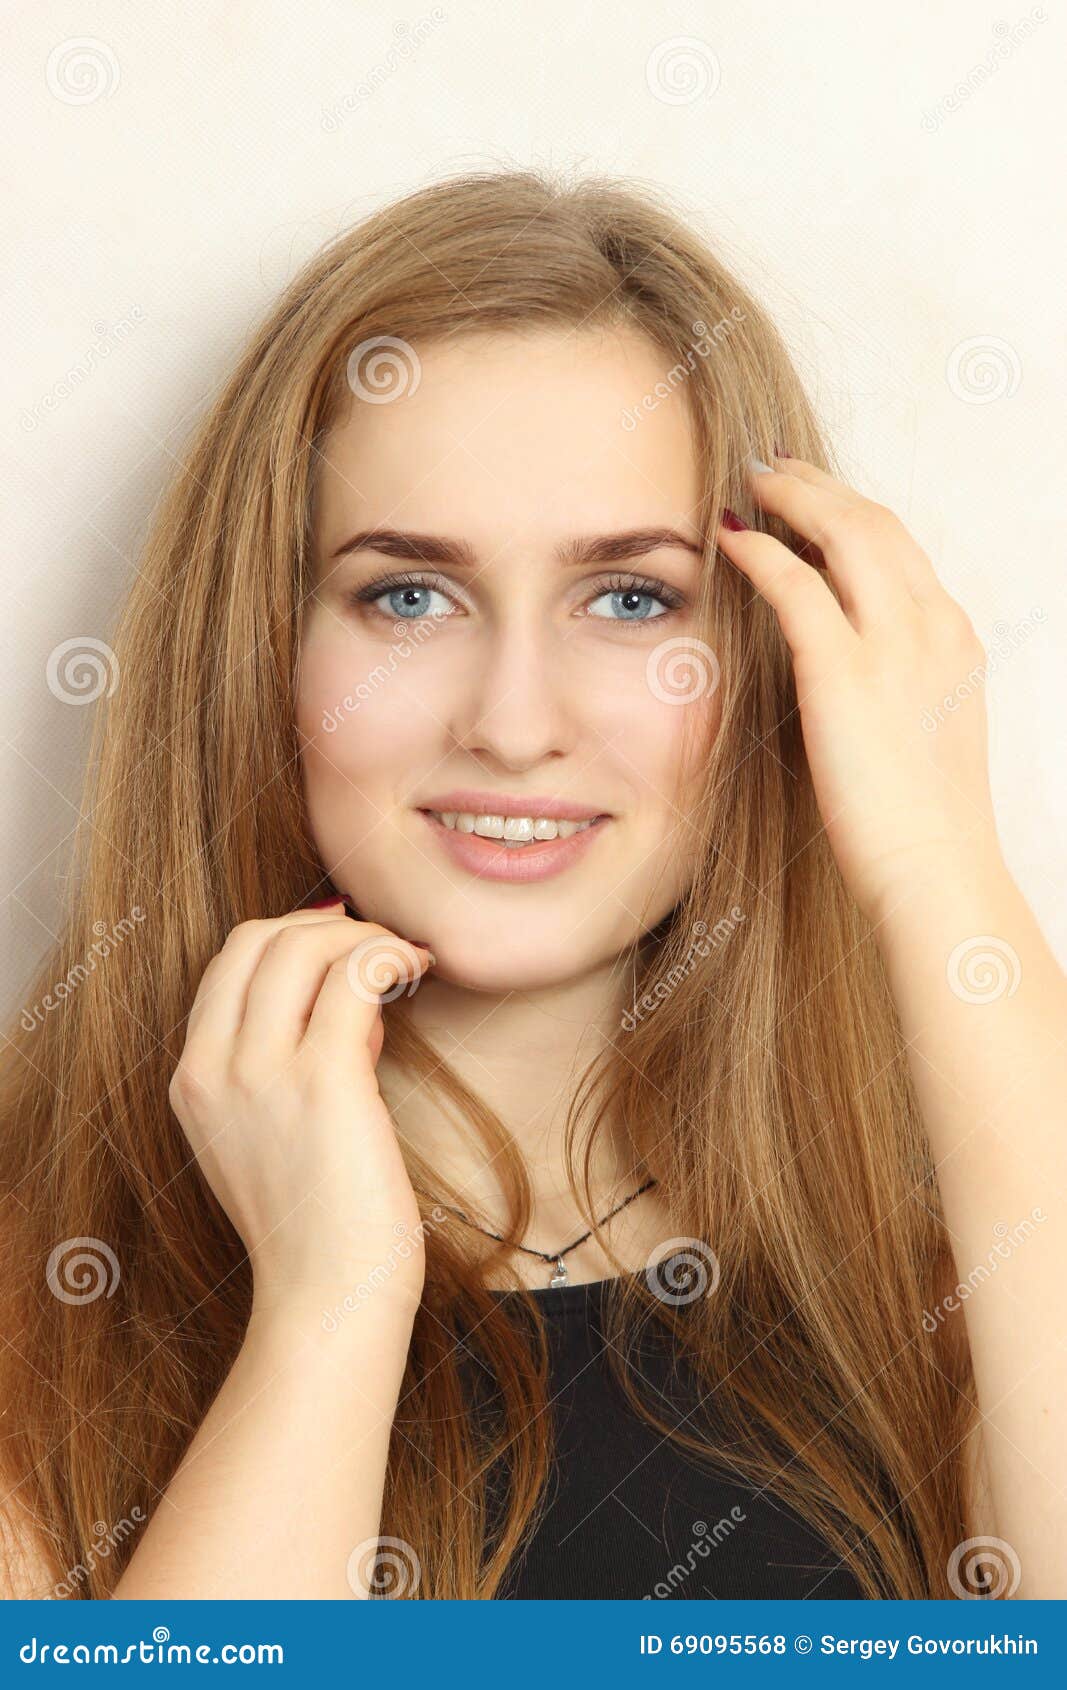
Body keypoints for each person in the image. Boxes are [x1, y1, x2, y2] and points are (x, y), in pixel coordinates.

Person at [1, 169, 1063, 1602]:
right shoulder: (36, 1290)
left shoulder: (942, 1281)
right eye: (408, 593)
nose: (512, 719)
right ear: (265, 648)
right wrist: (329, 1309)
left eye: (632, 598)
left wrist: (944, 871)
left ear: (767, 653)